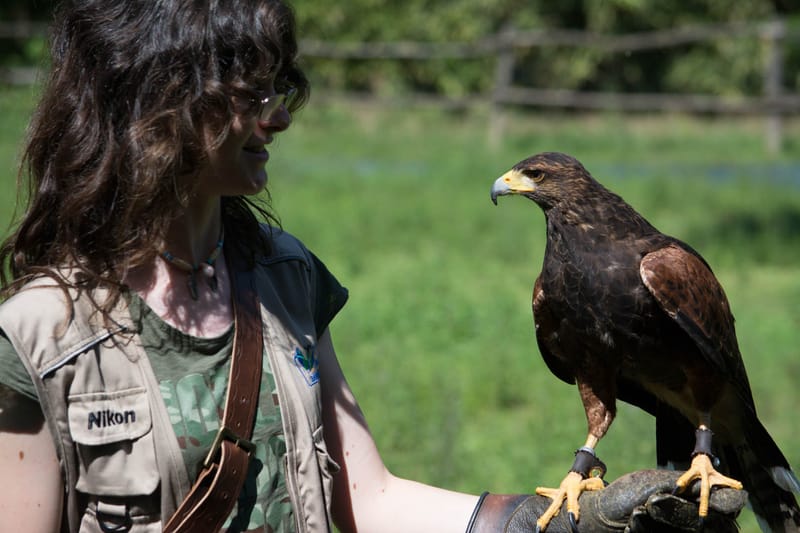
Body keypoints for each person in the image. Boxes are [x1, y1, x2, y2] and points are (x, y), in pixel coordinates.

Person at [0, 1, 746, 532]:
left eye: (280, 88)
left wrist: (545, 526)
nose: (280, 116)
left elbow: (370, 498)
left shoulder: (285, 281)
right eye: (249, 93)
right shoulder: (39, 334)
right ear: (157, 103)